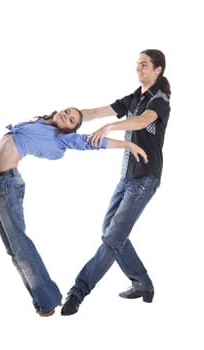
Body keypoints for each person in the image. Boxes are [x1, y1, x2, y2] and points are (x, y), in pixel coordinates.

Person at [0, 107, 148, 317]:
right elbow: (88, 113)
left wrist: (126, 144)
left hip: (7, 185)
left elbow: (93, 142)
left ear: (69, 130)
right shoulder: (42, 123)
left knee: (20, 246)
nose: (67, 117)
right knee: (12, 249)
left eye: (71, 121)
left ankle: (48, 299)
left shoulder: (62, 139)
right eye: (68, 112)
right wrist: (99, 111)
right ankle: (41, 298)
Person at [61, 49, 171, 316]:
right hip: (127, 176)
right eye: (137, 64)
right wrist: (66, 115)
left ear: (158, 70)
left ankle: (78, 292)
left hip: (145, 178)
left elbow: (144, 121)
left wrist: (112, 127)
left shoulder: (159, 100)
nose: (138, 68)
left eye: (144, 64)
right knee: (110, 230)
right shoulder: (135, 96)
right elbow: (99, 111)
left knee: (112, 238)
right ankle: (142, 283)